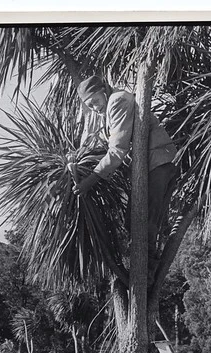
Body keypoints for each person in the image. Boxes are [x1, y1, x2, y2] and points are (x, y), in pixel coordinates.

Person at [73, 75, 178, 257]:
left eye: (95, 101)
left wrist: (91, 180)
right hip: (151, 164)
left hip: (158, 161)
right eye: (89, 105)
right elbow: (101, 141)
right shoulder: (107, 109)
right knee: (135, 221)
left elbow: (118, 149)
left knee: (144, 221)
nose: (95, 107)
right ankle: (146, 266)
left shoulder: (118, 100)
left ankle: (148, 268)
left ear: (104, 91)